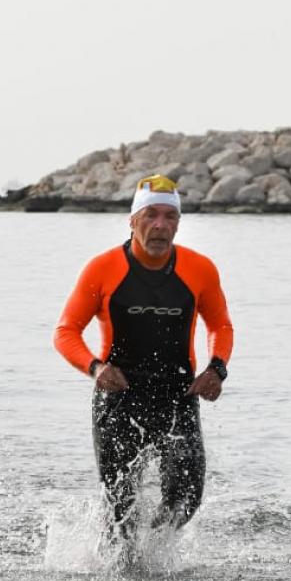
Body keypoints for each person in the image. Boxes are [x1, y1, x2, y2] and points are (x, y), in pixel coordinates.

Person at [53, 174, 234, 542]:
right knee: (121, 507)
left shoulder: (200, 269)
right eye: (151, 215)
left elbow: (221, 326)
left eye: (170, 218)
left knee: (185, 498)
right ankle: (120, 574)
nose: (160, 226)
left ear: (179, 224)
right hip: (118, 398)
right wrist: (95, 367)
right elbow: (65, 332)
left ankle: (153, 557)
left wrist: (217, 368)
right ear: (132, 221)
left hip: (176, 398)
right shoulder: (102, 269)